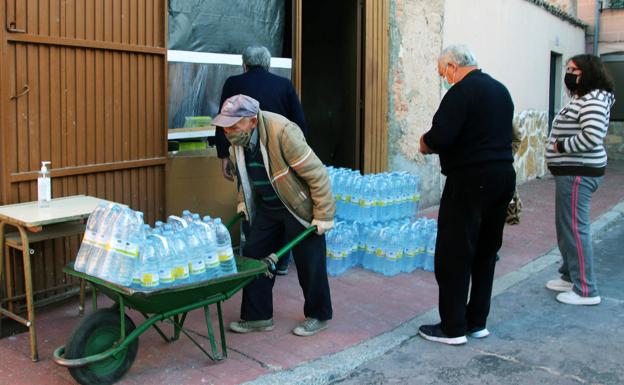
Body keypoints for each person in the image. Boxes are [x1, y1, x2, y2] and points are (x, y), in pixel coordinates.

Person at [212, 94, 335, 337]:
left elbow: (317, 174)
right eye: (225, 126)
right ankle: (258, 316)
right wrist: (243, 203)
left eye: (233, 125)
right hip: (268, 208)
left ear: (252, 121)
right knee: (254, 257)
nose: (228, 131)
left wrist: (323, 214)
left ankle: (319, 315)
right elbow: (244, 177)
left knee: (309, 262)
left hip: (297, 206)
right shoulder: (238, 139)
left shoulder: (283, 132)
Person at [418, 45, 516, 345]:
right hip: (502, 176)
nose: (444, 79)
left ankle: (452, 327)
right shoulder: (501, 90)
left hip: (470, 179)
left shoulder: (460, 93)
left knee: (454, 252)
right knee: (486, 252)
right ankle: (477, 321)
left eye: (442, 73)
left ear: (452, 66)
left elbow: (441, 137)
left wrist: (424, 142)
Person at [215, 45, 307, 275]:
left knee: (249, 202)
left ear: (244, 65)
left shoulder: (233, 84)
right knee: (284, 205)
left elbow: (224, 124)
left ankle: (255, 259)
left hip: (247, 157)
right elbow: (300, 124)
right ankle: (282, 260)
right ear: (269, 65)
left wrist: (223, 156)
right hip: (281, 159)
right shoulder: (283, 85)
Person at [545, 54, 615, 306]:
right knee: (566, 227)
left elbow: (591, 138)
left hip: (579, 173)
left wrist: (559, 145)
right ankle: (569, 275)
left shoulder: (594, 100)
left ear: (589, 72)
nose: (569, 73)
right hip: (571, 172)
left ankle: (586, 289)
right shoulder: (584, 98)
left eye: (573, 69)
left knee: (575, 228)